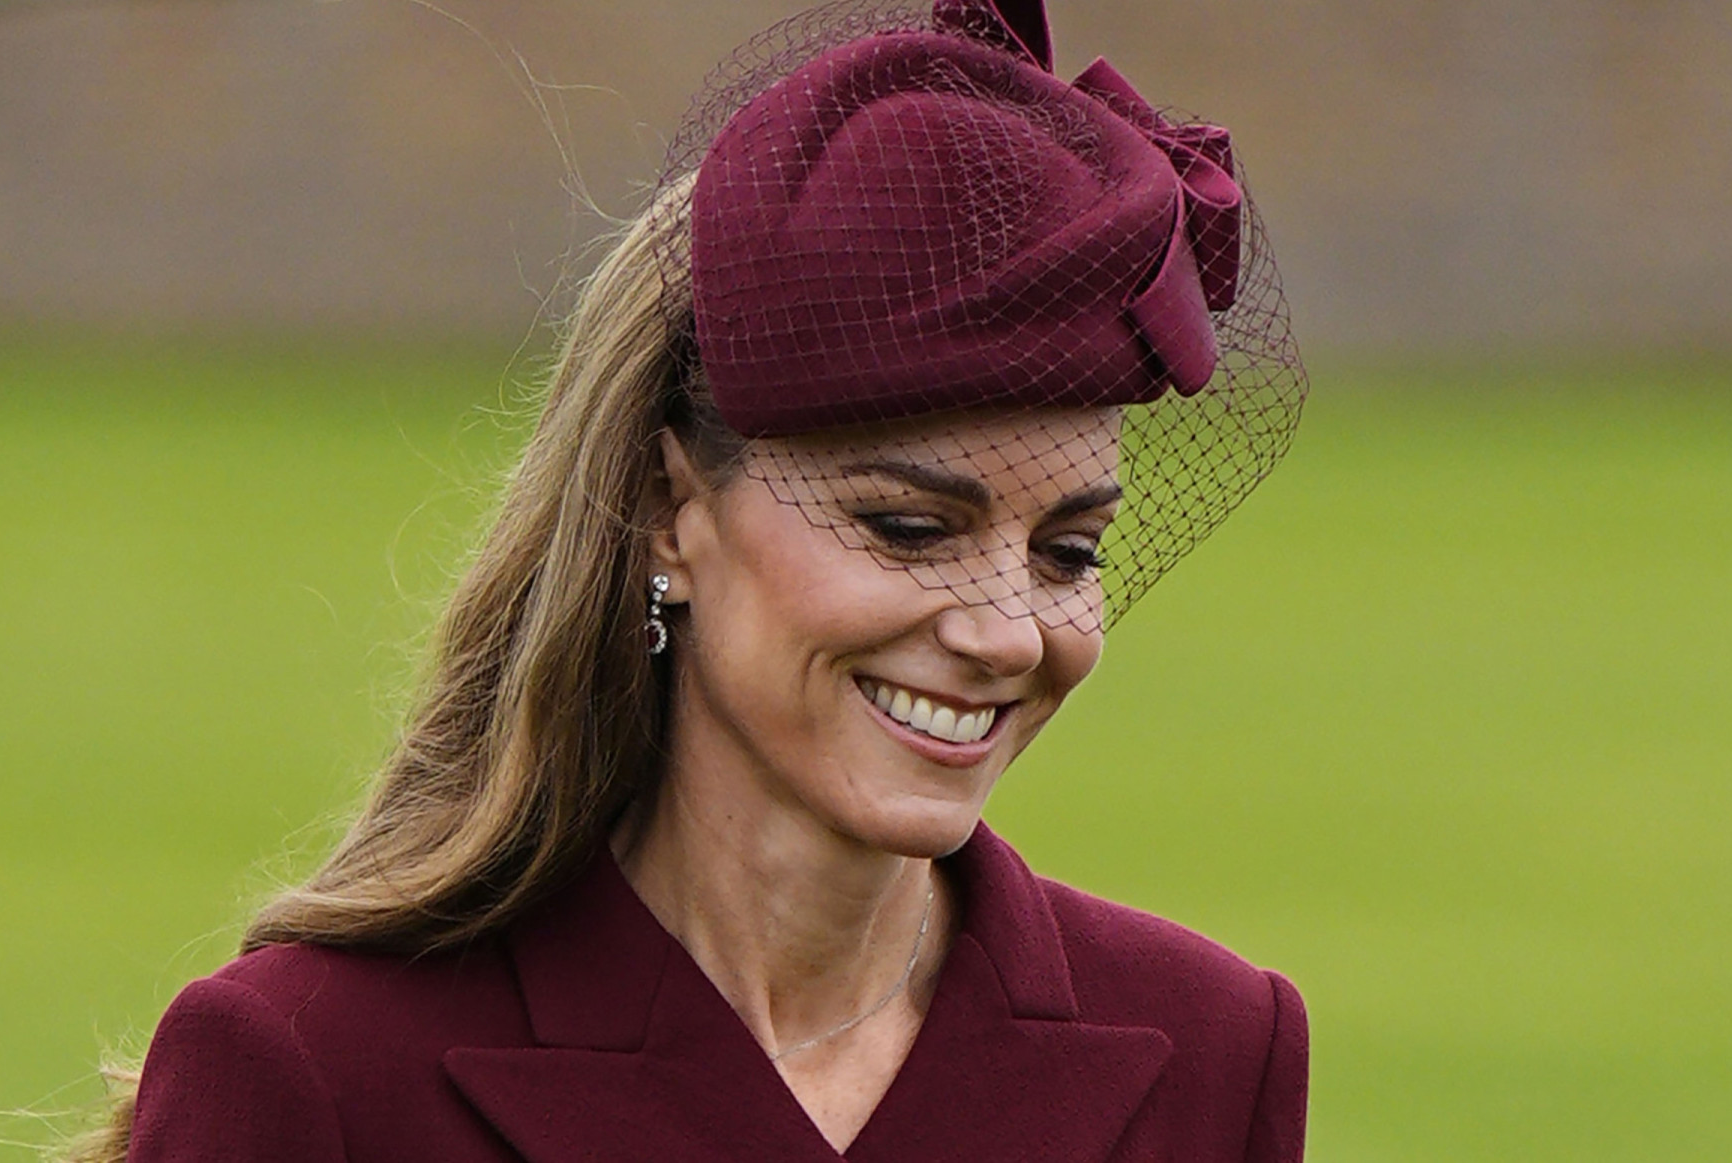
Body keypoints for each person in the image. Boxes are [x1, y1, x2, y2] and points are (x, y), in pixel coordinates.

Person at [74, 0, 1310, 1158]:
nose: (1009, 633)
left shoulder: (1216, 1047)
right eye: (908, 528)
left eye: (1067, 552)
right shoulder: (318, 1067)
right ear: (670, 510)